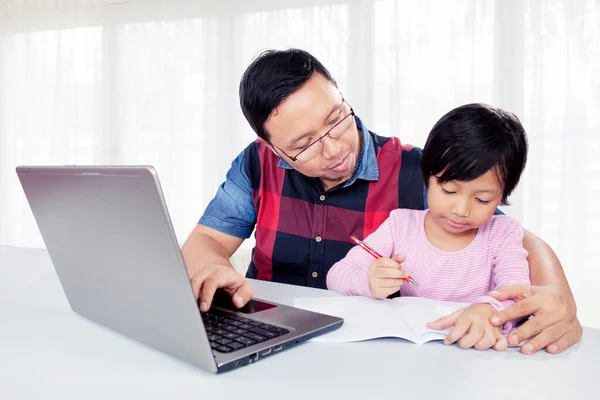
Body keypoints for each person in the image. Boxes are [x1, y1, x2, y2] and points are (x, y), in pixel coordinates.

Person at [181, 48, 582, 354]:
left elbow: (504, 231)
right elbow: (206, 243)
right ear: (274, 149)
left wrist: (556, 296)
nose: (335, 148)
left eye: (337, 118)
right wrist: (216, 270)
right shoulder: (256, 163)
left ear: (340, 92)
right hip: (268, 338)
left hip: (372, 354)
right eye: (305, 145)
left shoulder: (417, 171)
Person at [327, 103, 530, 351]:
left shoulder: (502, 233)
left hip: (476, 352)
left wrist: (489, 310)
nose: (461, 210)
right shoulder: (400, 225)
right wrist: (368, 282)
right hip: (412, 351)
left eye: (482, 199)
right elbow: (337, 275)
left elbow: (518, 294)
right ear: (428, 177)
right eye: (449, 190)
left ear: (502, 196)